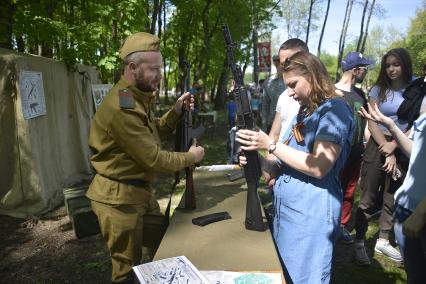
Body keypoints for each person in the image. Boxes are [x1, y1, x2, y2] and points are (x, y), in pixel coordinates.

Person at [86, 32, 205, 283]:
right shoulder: (122, 107)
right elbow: (154, 158)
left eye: (160, 69)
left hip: (139, 194)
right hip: (118, 201)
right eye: (154, 69)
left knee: (167, 241)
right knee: (126, 271)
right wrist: (191, 157)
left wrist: (175, 111)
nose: (159, 76)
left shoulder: (134, 97)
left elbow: (151, 133)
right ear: (132, 68)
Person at [237, 51, 354, 283]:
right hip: (288, 216)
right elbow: (278, 169)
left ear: (312, 75)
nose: (289, 93)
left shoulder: (335, 111)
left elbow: (319, 166)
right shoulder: (304, 112)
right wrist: (256, 158)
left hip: (311, 216)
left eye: (293, 85)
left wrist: (269, 144)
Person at [354, 48, 413, 266]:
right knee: (368, 196)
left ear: (405, 64)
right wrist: (386, 147)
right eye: (388, 65)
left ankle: (383, 239)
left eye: (396, 64)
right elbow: (371, 120)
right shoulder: (378, 89)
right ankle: (360, 242)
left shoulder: (415, 88)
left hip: (404, 145)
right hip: (377, 145)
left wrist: (395, 146)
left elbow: (417, 122)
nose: (391, 69)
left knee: (392, 196)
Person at [359, 97, 426, 283]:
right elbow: (417, 151)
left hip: (421, 212)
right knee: (416, 276)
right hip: (406, 207)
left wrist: (421, 212)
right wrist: (392, 126)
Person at [335, 51, 373, 244]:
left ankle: (341, 226)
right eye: (364, 69)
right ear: (355, 70)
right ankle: (329, 224)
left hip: (356, 154)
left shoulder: (359, 94)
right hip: (336, 154)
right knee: (332, 189)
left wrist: (368, 145)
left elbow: (364, 124)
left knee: (349, 192)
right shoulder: (332, 93)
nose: (366, 73)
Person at [268, 39, 309, 146]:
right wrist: (267, 161)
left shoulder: (330, 104)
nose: (287, 68)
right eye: (283, 64)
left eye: (291, 61)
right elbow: (273, 136)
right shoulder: (284, 96)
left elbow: (320, 161)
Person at [261, 54, 285, 133]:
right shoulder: (268, 82)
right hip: (273, 124)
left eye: (279, 60)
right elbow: (265, 106)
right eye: (275, 60)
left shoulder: (295, 80)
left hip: (291, 125)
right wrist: (264, 127)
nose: (278, 62)